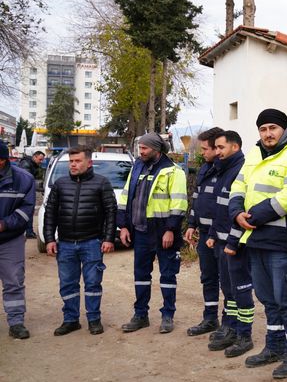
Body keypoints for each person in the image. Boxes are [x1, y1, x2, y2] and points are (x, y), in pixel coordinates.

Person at [229, 109, 287, 379]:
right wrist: (236, 212)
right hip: (255, 239)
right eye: (263, 129)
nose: (268, 133)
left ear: (284, 128)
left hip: (283, 240)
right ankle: (274, 347)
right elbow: (238, 185)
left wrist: (254, 216)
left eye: (273, 128)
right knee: (268, 299)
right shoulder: (254, 153)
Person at [117, 133, 188, 334]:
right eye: (140, 148)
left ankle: (167, 316)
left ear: (156, 149)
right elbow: (125, 197)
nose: (141, 152)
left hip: (163, 232)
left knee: (168, 275)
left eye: (144, 148)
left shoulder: (174, 171)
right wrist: (123, 226)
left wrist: (170, 230)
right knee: (140, 275)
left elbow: (179, 203)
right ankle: (140, 315)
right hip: (141, 231)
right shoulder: (137, 167)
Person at [43, 146, 116, 336]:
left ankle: (94, 319)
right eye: (71, 161)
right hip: (65, 243)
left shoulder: (102, 183)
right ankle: (70, 320)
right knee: (68, 284)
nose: (73, 165)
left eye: (77, 161)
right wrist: (49, 239)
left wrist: (108, 238)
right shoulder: (60, 184)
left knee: (93, 283)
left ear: (89, 162)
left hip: (92, 242)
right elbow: (50, 213)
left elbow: (111, 212)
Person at [207, 130, 255, 358]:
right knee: (228, 289)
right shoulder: (224, 169)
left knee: (241, 290)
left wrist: (233, 242)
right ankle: (230, 326)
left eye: (220, 147)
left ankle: (244, 334)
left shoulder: (240, 170)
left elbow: (241, 211)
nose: (217, 152)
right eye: (215, 147)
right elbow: (219, 209)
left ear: (234, 147)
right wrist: (212, 234)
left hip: (235, 244)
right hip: (222, 241)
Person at [183, 127, 224, 336]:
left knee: (228, 281)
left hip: (221, 236)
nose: (202, 153)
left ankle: (230, 323)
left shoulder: (227, 170)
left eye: (205, 149)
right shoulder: (204, 169)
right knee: (208, 278)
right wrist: (191, 224)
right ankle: (210, 318)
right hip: (205, 234)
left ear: (218, 148)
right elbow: (196, 199)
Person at [0, 141, 35, 339]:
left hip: (10, 239)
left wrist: (4, 224)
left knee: (14, 281)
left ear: (3, 160)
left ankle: (16, 322)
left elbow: (26, 210)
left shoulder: (24, 179)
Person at [16, 151, 43, 238]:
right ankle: (28, 232)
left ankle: (28, 231)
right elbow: (26, 180)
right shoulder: (26, 164)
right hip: (24, 192)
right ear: (34, 157)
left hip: (24, 191)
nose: (41, 161)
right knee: (28, 210)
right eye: (40, 159)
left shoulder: (32, 164)